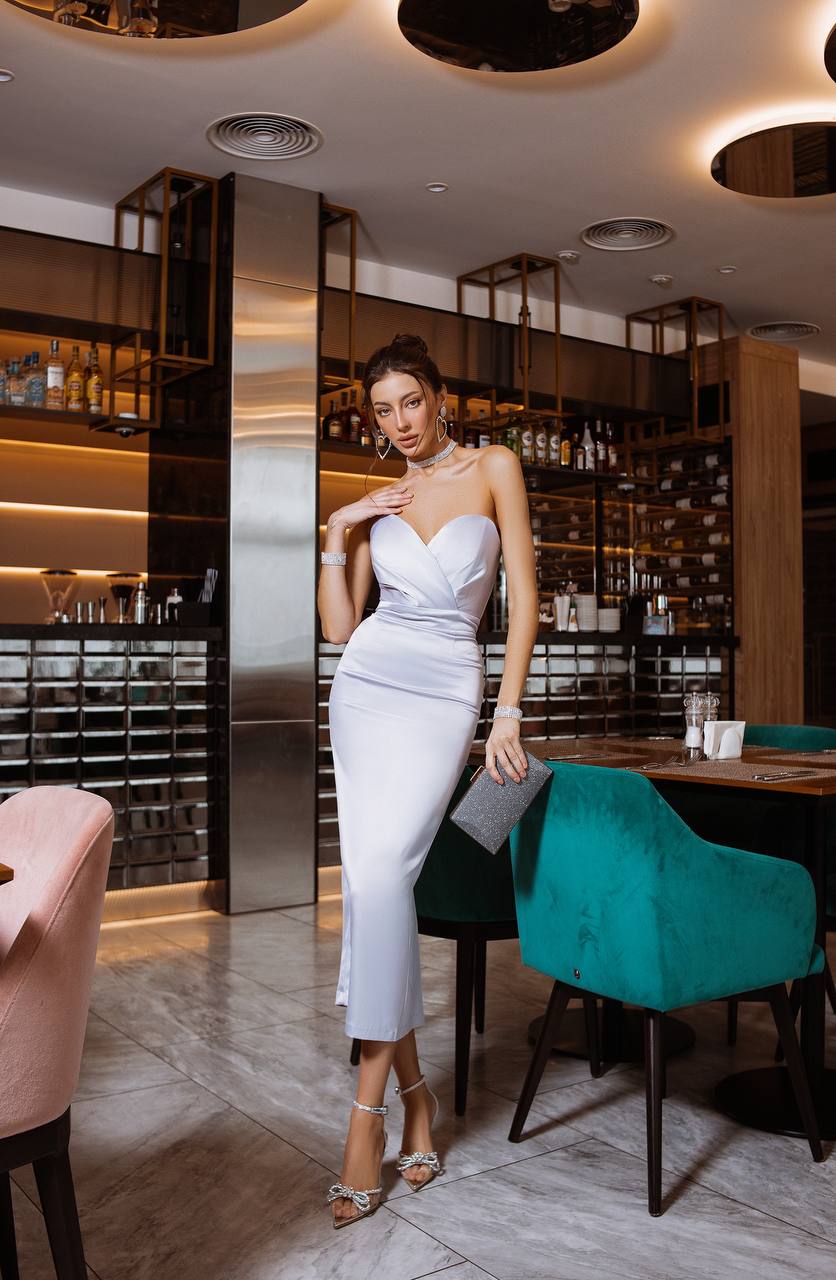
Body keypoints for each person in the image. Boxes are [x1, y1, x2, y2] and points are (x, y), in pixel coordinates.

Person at [317, 333, 538, 1227]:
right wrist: (338, 529)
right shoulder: (381, 499)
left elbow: (523, 599)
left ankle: (366, 1117)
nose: (400, 423)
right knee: (377, 890)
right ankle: (412, 1102)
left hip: (448, 686)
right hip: (366, 686)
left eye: (411, 401)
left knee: (381, 882)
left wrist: (506, 713)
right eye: (383, 411)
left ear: (440, 397)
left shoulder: (495, 466)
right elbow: (340, 628)